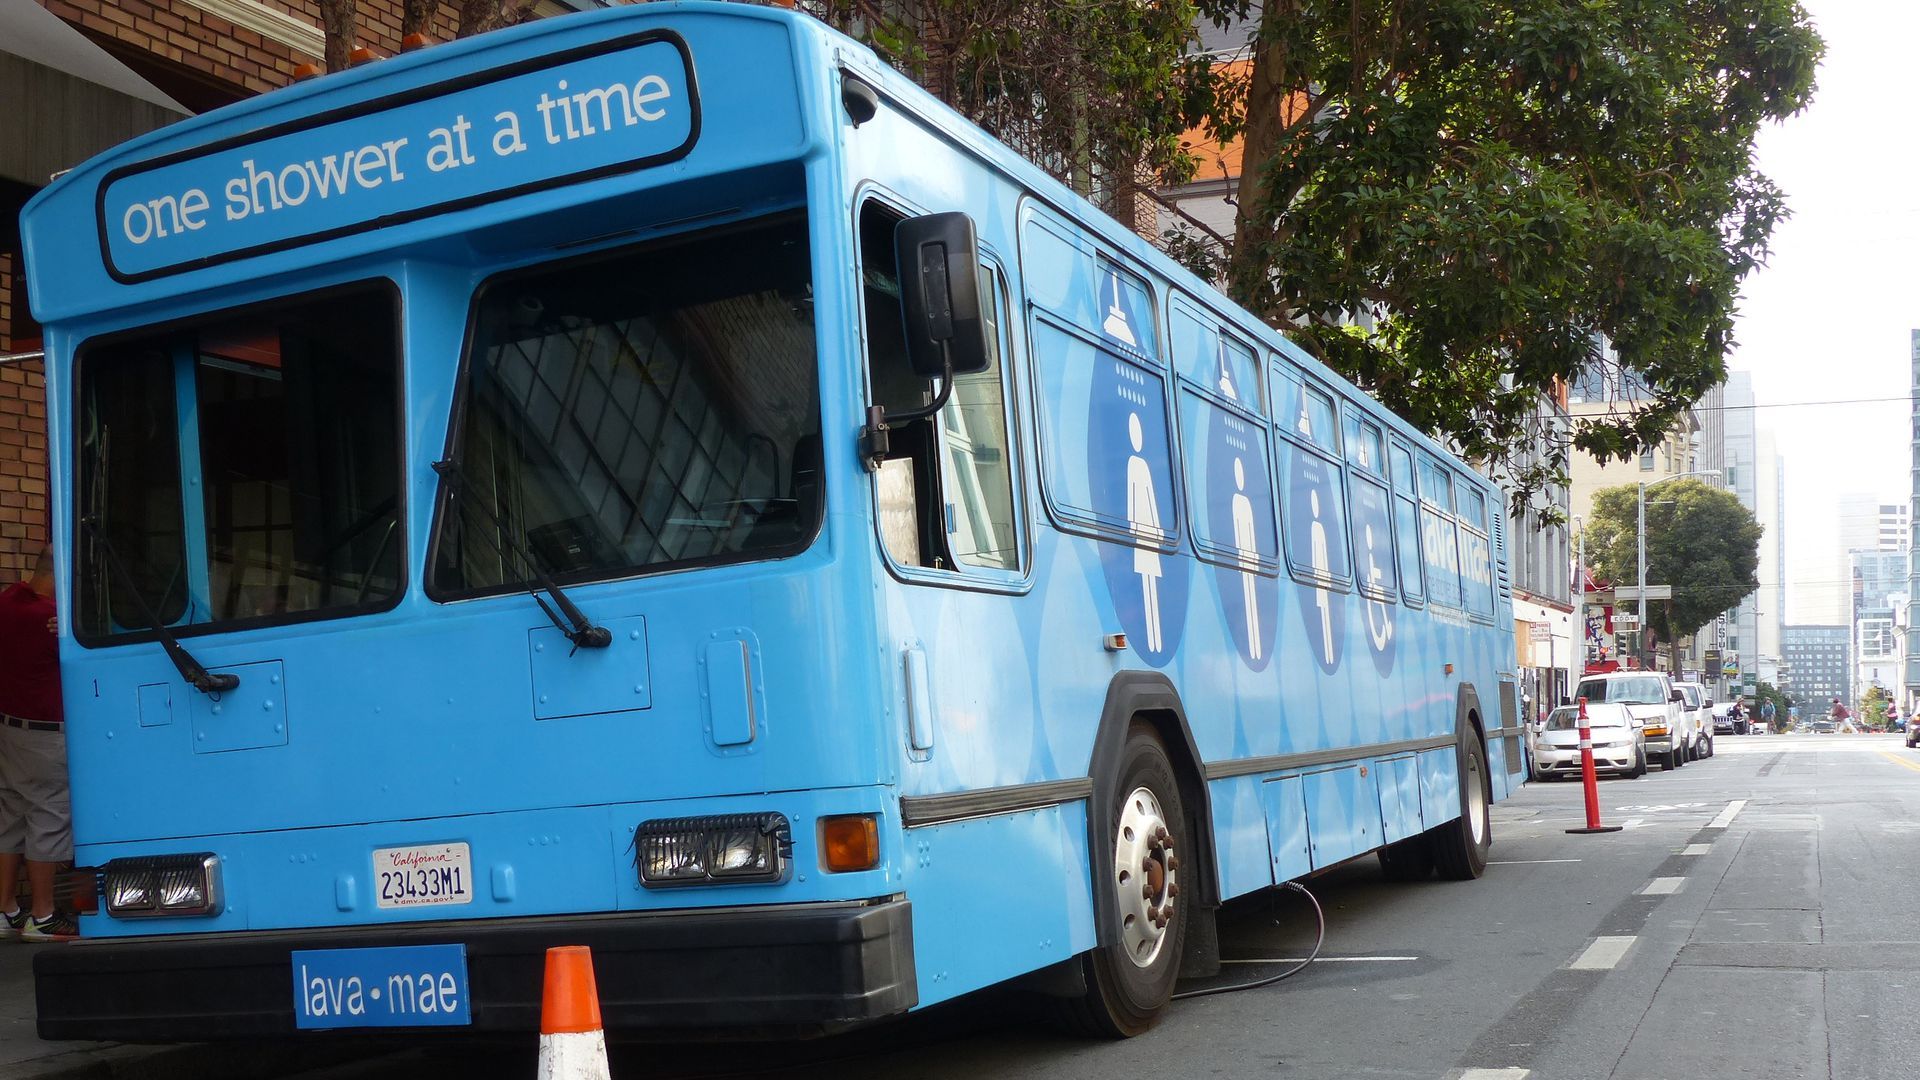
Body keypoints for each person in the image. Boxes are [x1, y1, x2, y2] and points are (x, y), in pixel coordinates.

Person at [0, 546, 76, 941]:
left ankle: (6, 909)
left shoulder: (10, 600)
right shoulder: (51, 621)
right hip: (46, 735)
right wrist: (64, 623)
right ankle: (43, 916)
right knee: (48, 814)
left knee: (10, 813)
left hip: (10, 729)